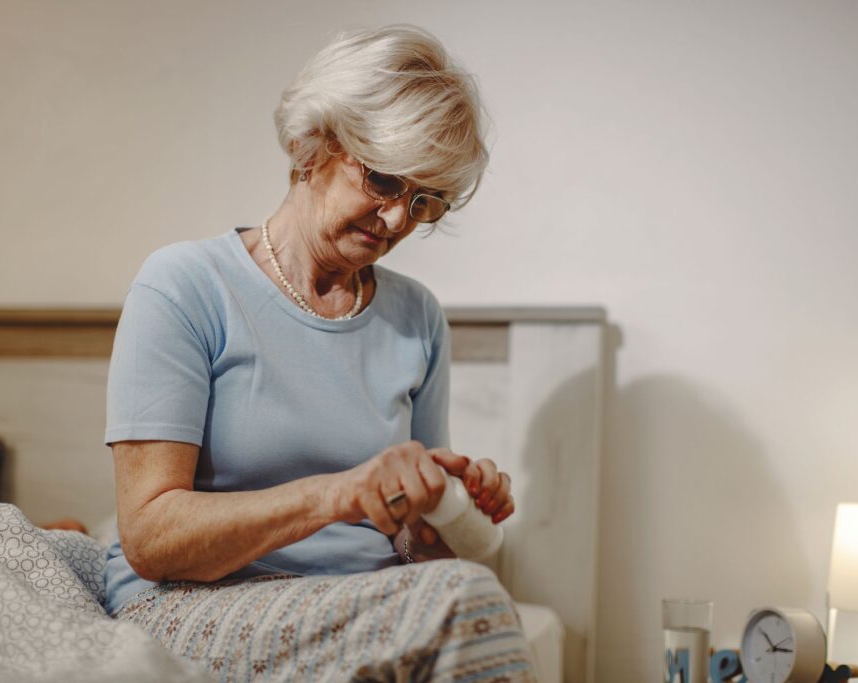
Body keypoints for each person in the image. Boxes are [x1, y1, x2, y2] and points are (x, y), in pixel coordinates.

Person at [104, 24, 535, 681]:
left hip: (354, 601)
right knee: (469, 605)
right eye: (385, 180)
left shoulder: (417, 318)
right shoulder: (185, 286)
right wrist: (341, 494)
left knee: (464, 599)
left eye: (424, 203)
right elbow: (151, 536)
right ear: (315, 144)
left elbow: (422, 561)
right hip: (192, 598)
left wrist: (443, 515)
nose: (396, 221)